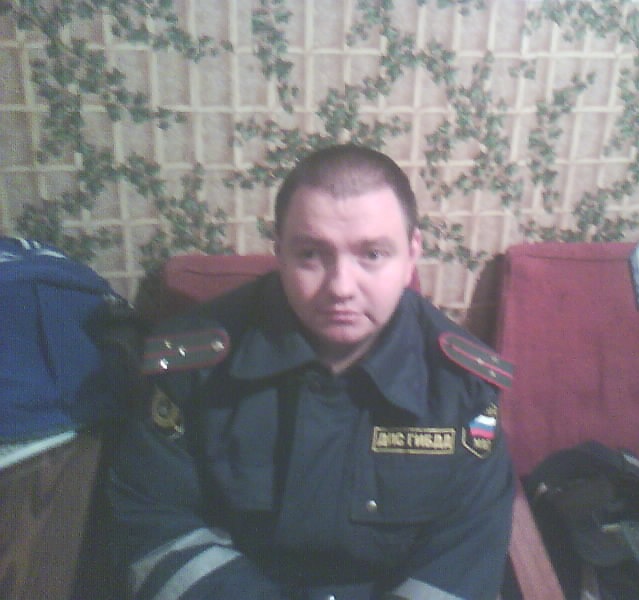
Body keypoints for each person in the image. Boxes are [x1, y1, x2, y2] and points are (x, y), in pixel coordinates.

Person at [107, 144, 516, 600]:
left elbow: (465, 552)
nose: (340, 287)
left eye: (372, 254)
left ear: (411, 254)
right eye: (311, 255)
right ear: (279, 252)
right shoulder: (193, 366)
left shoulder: (461, 387)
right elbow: (153, 518)